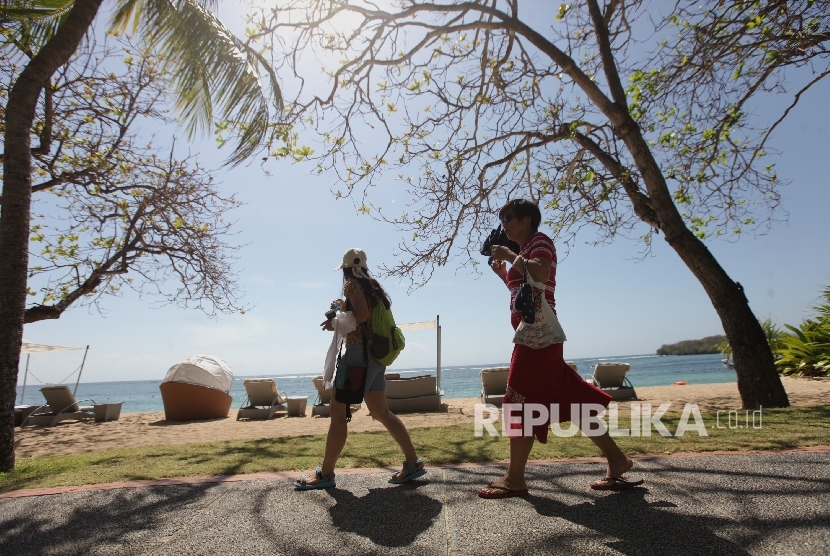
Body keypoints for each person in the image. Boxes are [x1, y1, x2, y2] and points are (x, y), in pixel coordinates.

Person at [477, 199, 643, 499]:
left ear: (527, 218)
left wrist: (512, 258)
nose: (504, 223)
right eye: (502, 218)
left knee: (518, 400)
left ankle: (515, 479)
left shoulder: (540, 242)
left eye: (509, 217)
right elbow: (525, 289)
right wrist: (503, 273)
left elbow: (540, 274)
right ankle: (617, 460)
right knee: (572, 400)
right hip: (538, 336)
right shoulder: (525, 250)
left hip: (536, 338)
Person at [294, 248, 426, 490]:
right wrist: (345, 309)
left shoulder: (352, 285)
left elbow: (362, 315)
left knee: (338, 413)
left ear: (345, 269)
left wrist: (337, 319)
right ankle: (413, 462)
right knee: (381, 411)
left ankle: (326, 473)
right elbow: (365, 313)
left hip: (358, 356)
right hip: (375, 357)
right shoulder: (373, 288)